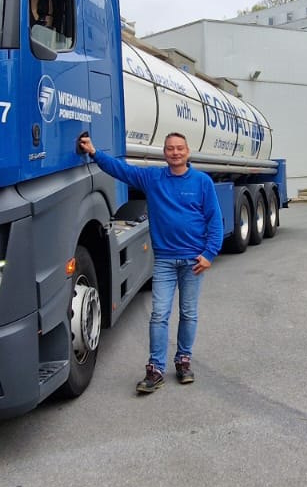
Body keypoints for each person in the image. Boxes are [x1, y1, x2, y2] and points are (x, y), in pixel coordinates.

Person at [77, 130, 222, 394]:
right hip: (165, 259)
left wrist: (209, 254)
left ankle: (183, 361)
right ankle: (155, 368)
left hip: (194, 261)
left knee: (189, 313)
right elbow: (121, 170)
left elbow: (215, 220)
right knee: (159, 315)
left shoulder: (202, 182)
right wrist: (94, 152)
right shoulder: (153, 177)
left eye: (180, 148)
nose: (175, 152)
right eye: (170, 149)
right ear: (164, 153)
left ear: (187, 152)